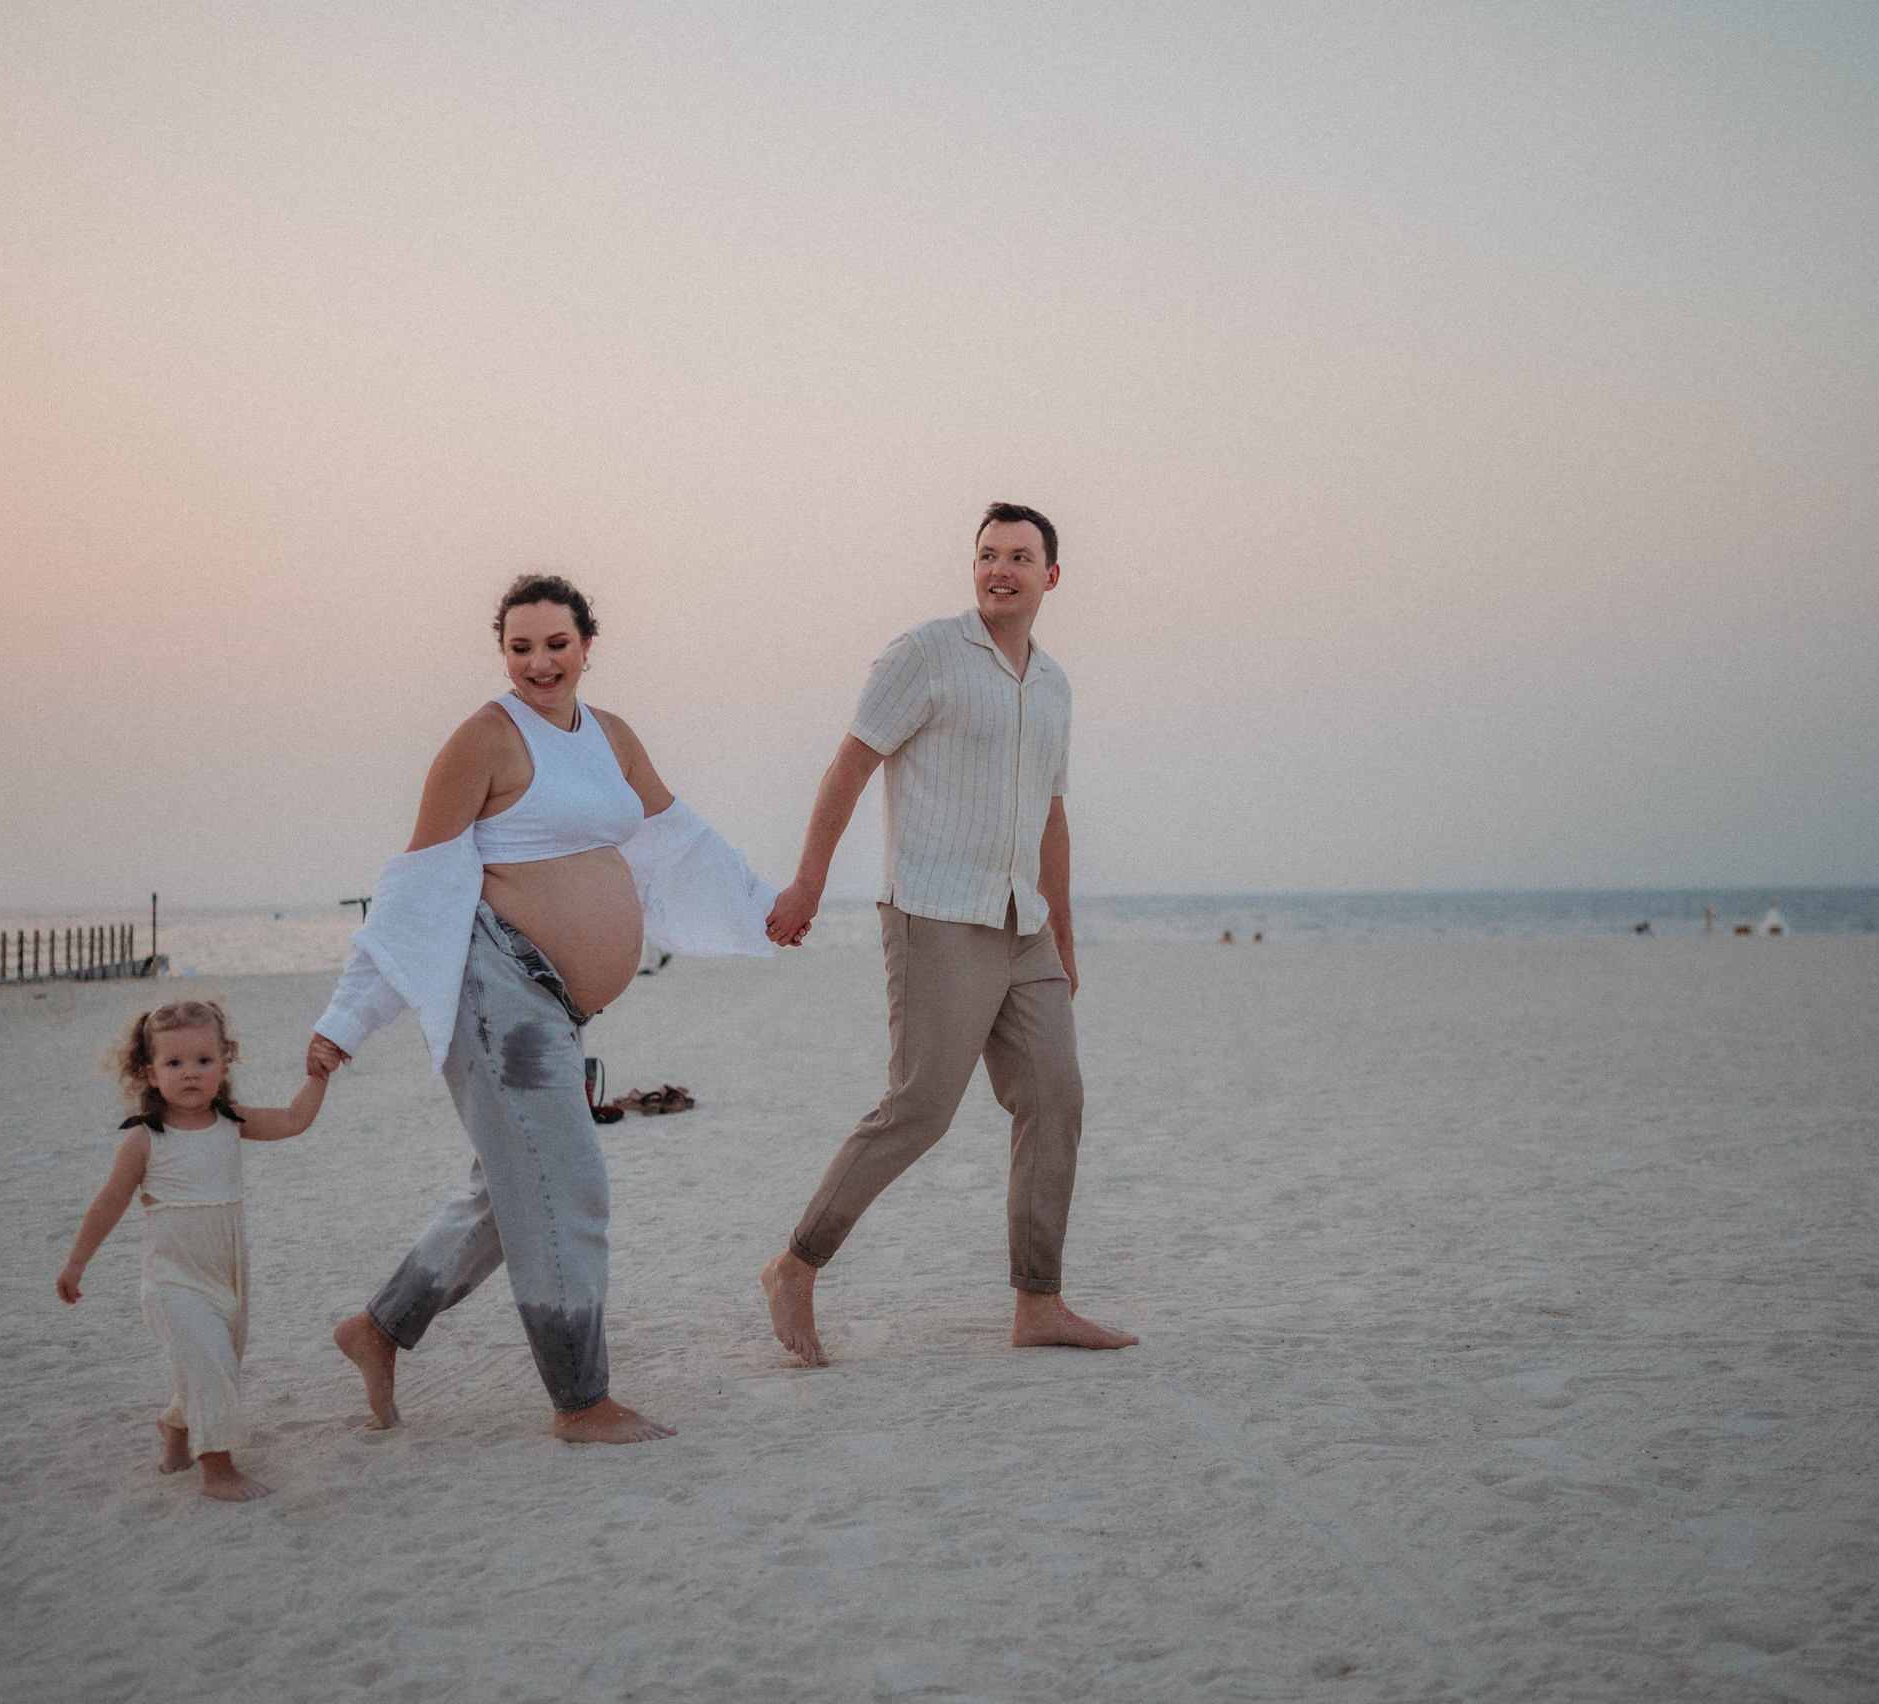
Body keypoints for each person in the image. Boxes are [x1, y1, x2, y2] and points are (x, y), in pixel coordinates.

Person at [311, 574, 776, 1443]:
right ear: (504, 653)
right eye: (520, 648)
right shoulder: (483, 740)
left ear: (587, 645)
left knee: (513, 1189)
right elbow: (415, 891)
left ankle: (376, 1329)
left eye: (555, 644)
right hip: (496, 990)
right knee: (569, 1188)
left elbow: (679, 840)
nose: (538, 662)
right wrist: (345, 1023)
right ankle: (580, 1401)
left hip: (558, 1008)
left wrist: (768, 906)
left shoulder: (611, 738)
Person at [760, 502, 1138, 1365]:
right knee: (921, 1109)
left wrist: (1065, 936)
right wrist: (809, 884)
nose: (1000, 569)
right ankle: (795, 1264)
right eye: (986, 555)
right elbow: (851, 764)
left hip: (1024, 924)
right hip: (935, 911)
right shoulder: (925, 654)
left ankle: (1038, 1302)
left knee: (1056, 1096)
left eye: (1019, 556)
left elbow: (1051, 815)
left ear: (1052, 575)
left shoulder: (1053, 684)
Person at [57, 999, 329, 1502]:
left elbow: (294, 1119)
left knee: (218, 1365)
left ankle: (174, 1425)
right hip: (173, 1281)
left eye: (204, 1061)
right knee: (209, 1363)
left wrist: (318, 1077)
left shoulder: (232, 1121)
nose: (190, 1074)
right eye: (174, 1063)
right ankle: (218, 1471)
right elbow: (108, 1203)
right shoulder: (144, 1140)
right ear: (150, 1073)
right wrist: (76, 1262)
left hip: (228, 1277)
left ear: (224, 1066)